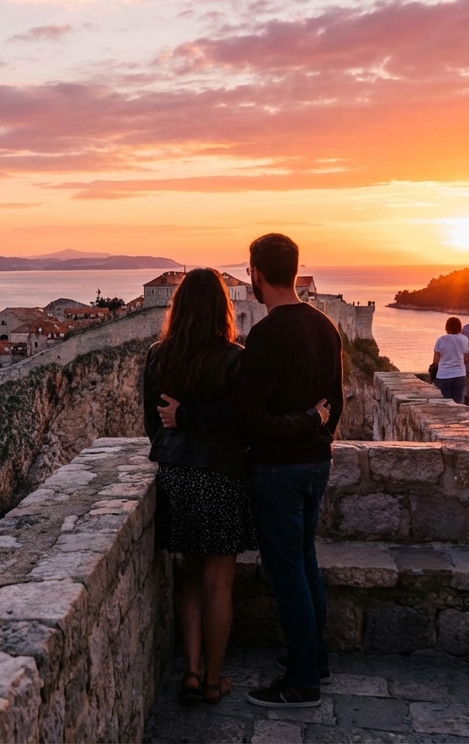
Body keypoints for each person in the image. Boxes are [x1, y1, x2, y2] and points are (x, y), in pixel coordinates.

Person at [158, 234, 342, 710]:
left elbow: (246, 417)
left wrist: (187, 418)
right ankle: (314, 658)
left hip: (278, 470)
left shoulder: (265, 336)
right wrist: (315, 425)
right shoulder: (326, 328)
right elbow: (334, 407)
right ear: (295, 271)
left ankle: (303, 682)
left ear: (257, 275)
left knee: (288, 575)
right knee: (305, 564)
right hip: (317, 463)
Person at [432, 316, 469, 402]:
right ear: (460, 328)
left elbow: (435, 362)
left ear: (447, 328)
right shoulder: (464, 339)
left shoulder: (441, 340)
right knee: (458, 403)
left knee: (445, 403)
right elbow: (466, 359)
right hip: (460, 375)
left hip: (444, 375)